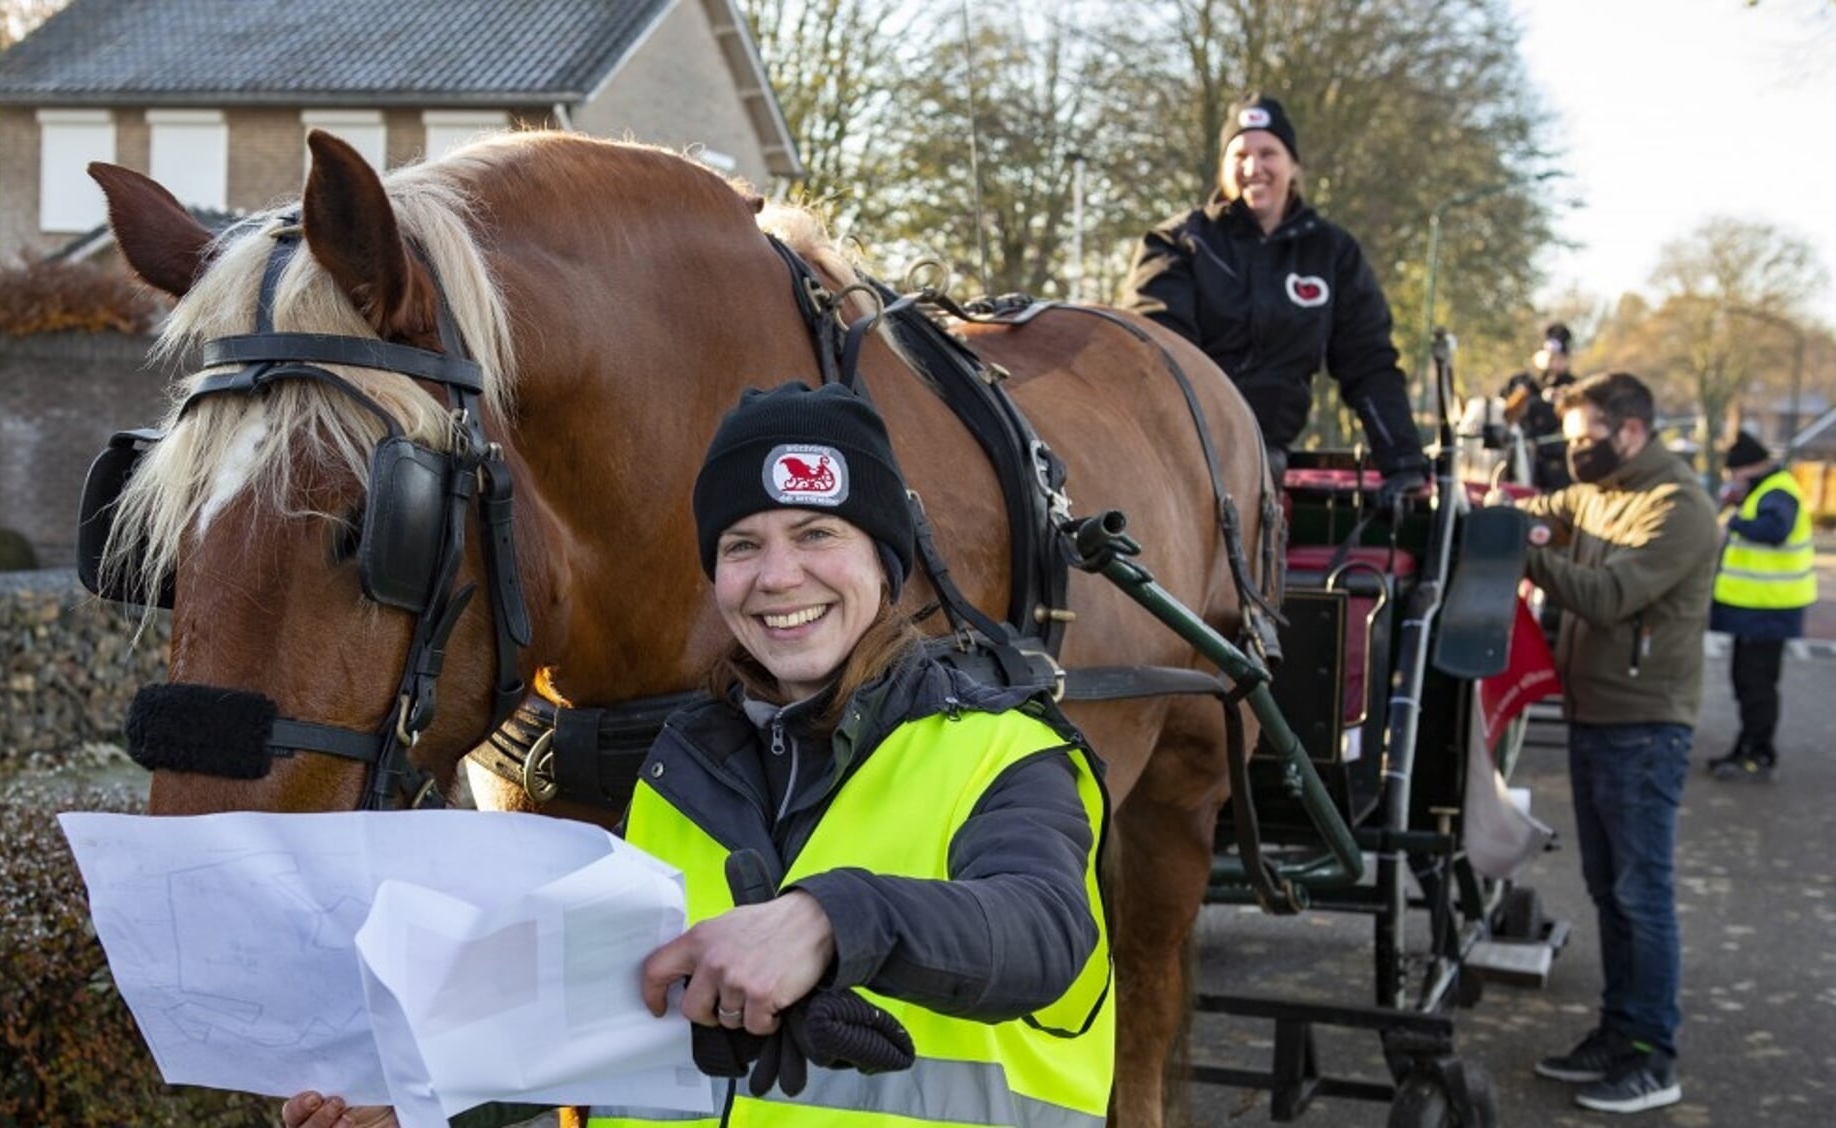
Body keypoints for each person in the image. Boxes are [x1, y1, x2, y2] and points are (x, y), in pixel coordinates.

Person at [281, 381, 1115, 1128]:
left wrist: (829, 921)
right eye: (742, 546)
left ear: (884, 562)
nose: (778, 576)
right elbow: (611, 1019)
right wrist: (428, 1102)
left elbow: (1043, 932)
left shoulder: (1005, 750)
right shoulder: (677, 772)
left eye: (816, 533)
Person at [1511, 372, 1715, 1114]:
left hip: (1644, 723)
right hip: (1596, 713)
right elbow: (1540, 511)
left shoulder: (1678, 507)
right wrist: (1525, 522)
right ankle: (1618, 1031)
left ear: (1627, 431)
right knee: (1608, 890)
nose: (1571, 455)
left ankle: (1651, 1054)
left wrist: (1523, 548)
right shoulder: (1599, 491)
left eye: (1580, 439)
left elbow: (1604, 597)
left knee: (1640, 893)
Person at [1118, 92, 1424, 508]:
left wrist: (1403, 462)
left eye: (1268, 153)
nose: (1253, 168)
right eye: (1239, 154)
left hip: (1266, 460)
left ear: (1293, 164)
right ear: (1223, 167)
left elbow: (1368, 363)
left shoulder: (1330, 252)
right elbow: (1156, 356)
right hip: (1181, 461)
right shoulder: (1177, 245)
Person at [1705, 430, 1816, 780]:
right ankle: (1747, 746)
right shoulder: (1766, 489)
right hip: (1755, 609)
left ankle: (1757, 752)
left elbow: (1775, 529)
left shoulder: (1777, 491)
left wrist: (1735, 522)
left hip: (1767, 608)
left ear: (1747, 467)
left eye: (1734, 473)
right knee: (1748, 682)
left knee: (1756, 685)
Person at [1499, 322, 1578, 491]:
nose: (1554, 363)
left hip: (1555, 470)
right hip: (1517, 462)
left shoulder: (1574, 387)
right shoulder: (1519, 382)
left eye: (1559, 358)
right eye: (1550, 357)